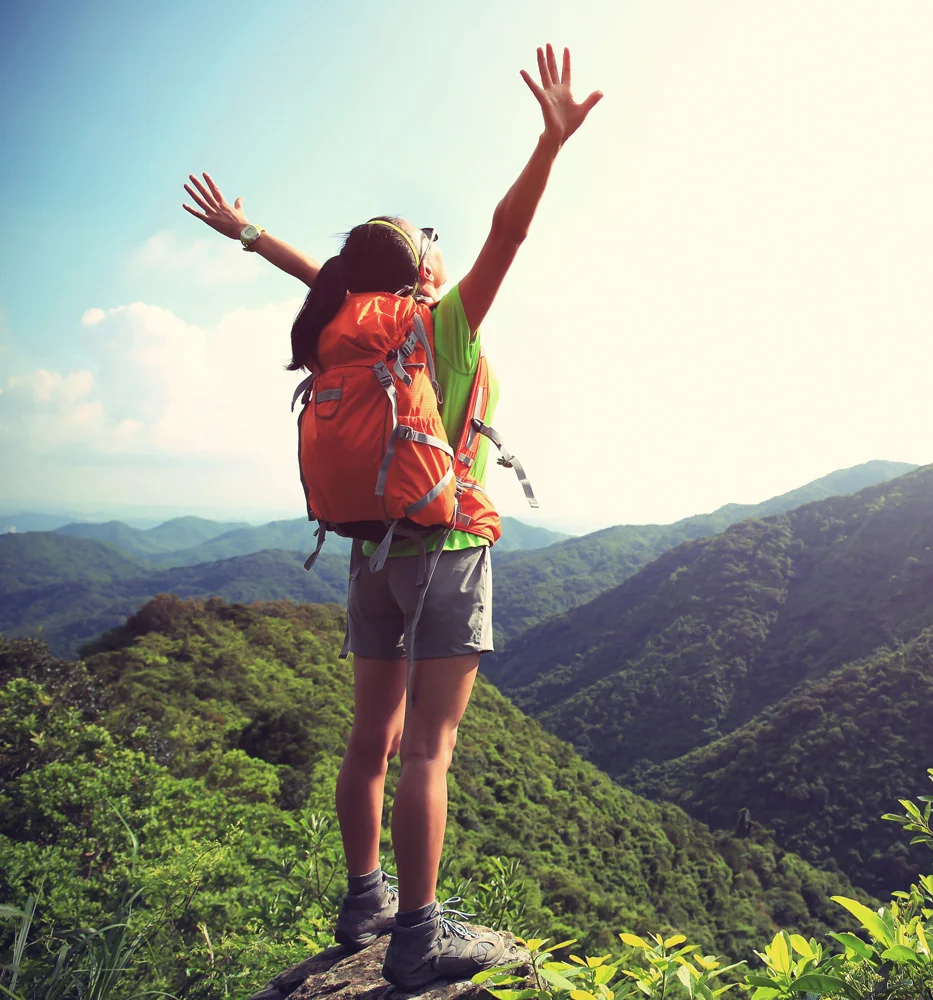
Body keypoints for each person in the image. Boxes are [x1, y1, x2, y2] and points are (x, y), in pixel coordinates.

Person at [181, 44, 601, 989]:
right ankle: (418, 932)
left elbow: (316, 274)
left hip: (366, 550)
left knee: (368, 739)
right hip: (445, 549)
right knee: (430, 749)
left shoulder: (344, 324)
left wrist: (250, 236)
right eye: (428, 245)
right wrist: (550, 147)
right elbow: (508, 233)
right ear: (418, 270)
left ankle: (362, 897)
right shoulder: (436, 327)